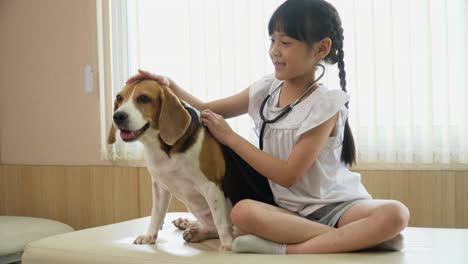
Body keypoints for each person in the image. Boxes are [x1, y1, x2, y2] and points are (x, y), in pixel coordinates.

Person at [127, 0, 409, 254]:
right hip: (286, 211)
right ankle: (352, 240)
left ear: (321, 48)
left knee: (395, 214)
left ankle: (289, 250)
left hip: (337, 205)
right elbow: (205, 110)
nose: (274, 50)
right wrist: (169, 86)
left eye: (286, 42)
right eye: (272, 40)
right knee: (242, 213)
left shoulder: (325, 104)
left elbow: (288, 175)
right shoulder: (266, 90)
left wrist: (231, 139)